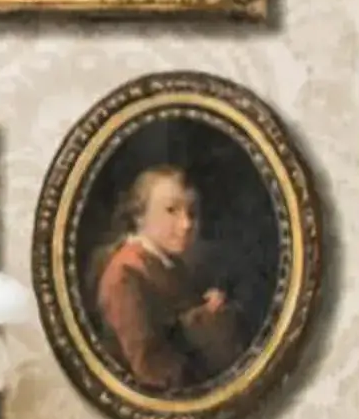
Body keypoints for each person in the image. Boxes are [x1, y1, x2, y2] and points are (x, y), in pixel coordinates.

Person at [89, 165, 245, 393]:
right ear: (139, 216)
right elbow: (151, 371)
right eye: (171, 210)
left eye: (192, 212)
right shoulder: (125, 275)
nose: (186, 224)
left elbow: (180, 319)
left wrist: (208, 309)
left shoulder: (170, 264)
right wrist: (207, 326)